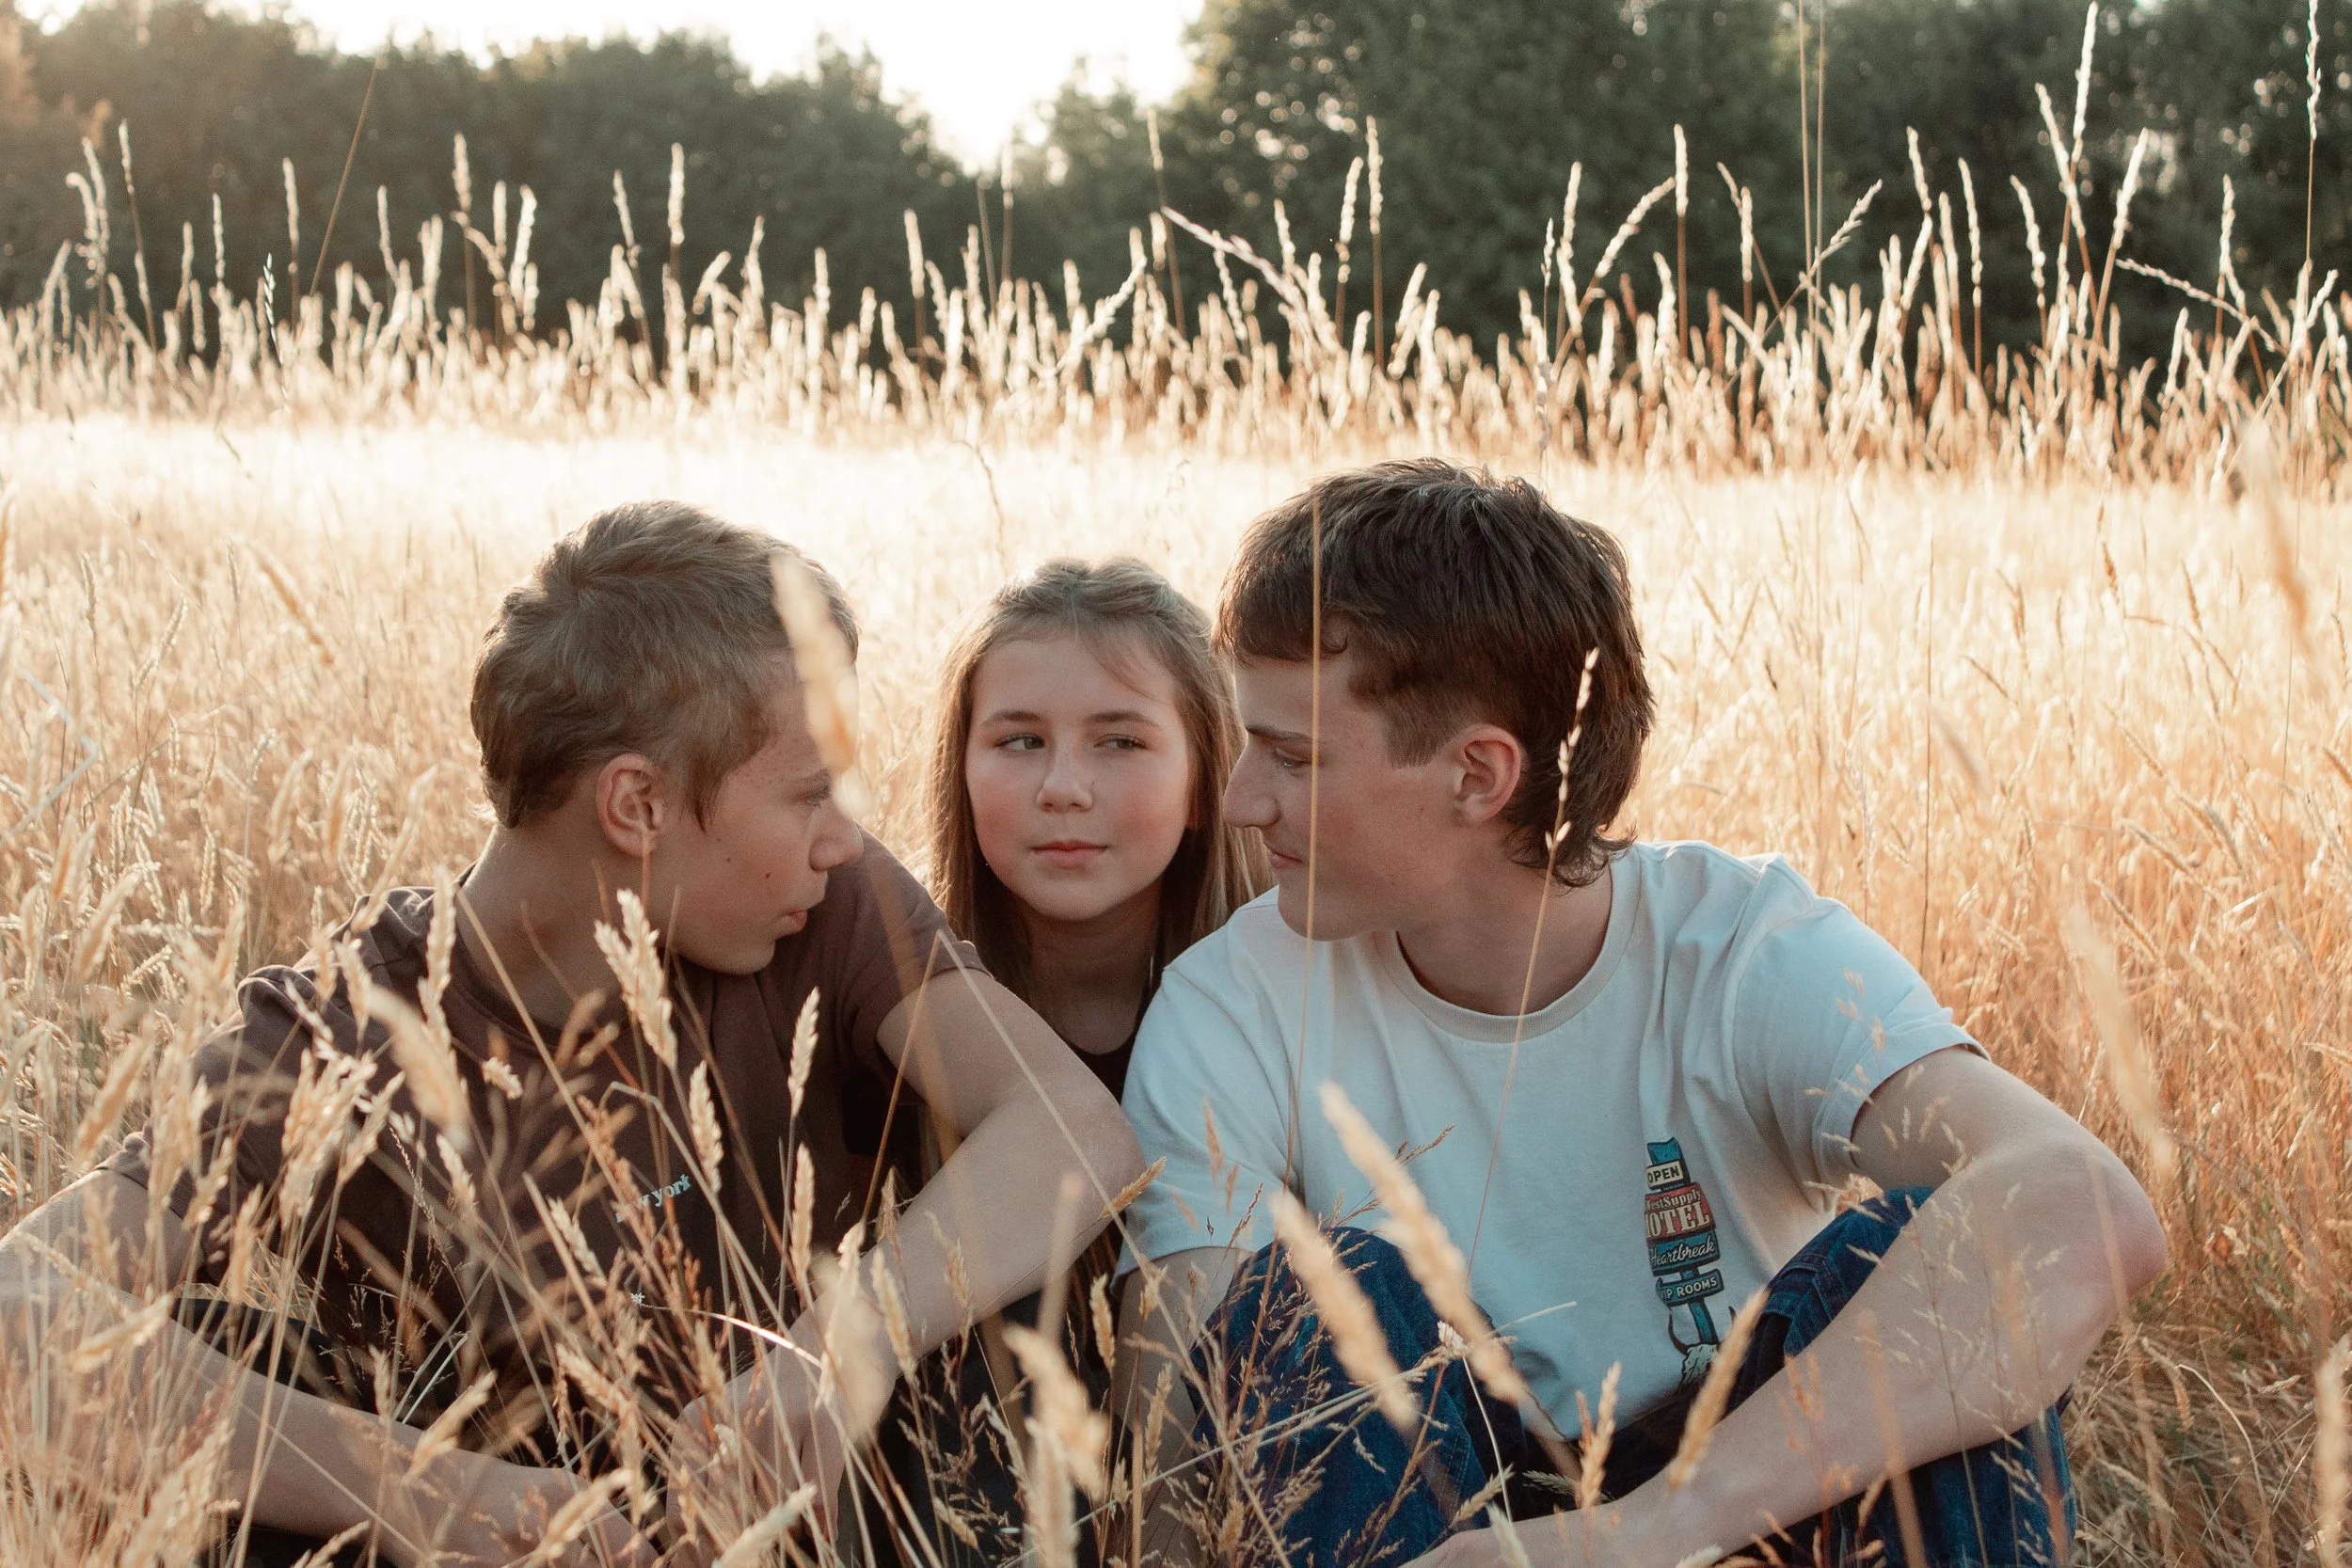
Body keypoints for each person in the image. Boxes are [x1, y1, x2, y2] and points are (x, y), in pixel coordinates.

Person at [0, 502, 1144, 1568]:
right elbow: (21, 1323)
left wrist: (842, 1343)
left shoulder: (821, 911)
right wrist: (432, 1494)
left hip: (820, 1534)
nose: (841, 836)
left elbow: (1069, 1131)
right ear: (637, 805)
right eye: (807, 792)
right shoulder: (344, 1028)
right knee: (195, 1369)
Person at [1115, 461, 2169, 1568]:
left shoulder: (1743, 948)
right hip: (1434, 1528)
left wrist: (1638, 1534)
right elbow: (1177, 1457)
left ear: (1477, 775)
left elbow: (2080, 1206)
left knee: (1912, 1266)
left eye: (1293, 755)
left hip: (1737, 1506)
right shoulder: (1230, 1000)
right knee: (1310, 1299)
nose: (1240, 799)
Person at [870, 559, 1262, 1564]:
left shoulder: (1277, 1013)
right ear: (961, 765)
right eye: (1019, 740)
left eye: (1121, 739)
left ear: (1202, 776)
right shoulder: (894, 1014)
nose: (1063, 787)